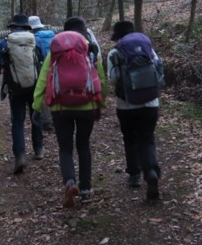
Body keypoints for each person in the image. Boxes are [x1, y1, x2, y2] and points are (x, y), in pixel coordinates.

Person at [33, 16, 106, 207]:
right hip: (86, 106)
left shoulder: (55, 50)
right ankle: (85, 190)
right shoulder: (90, 48)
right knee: (83, 145)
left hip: (60, 107)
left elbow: (42, 79)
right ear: (83, 30)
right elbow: (101, 79)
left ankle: (70, 181)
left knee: (65, 148)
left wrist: (37, 107)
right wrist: (100, 103)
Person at [107, 20, 163, 200]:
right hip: (150, 103)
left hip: (126, 105)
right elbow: (157, 67)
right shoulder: (147, 47)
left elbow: (114, 79)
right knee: (147, 138)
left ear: (117, 36)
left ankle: (134, 175)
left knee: (130, 138)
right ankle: (151, 170)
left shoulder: (114, 52)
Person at [0, 13, 44, 174]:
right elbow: (43, 61)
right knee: (36, 116)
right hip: (34, 86)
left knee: (17, 121)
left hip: (15, 88)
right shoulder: (36, 40)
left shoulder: (4, 42)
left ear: (13, 27)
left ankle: (20, 156)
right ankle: (38, 149)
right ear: (27, 27)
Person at [28, 15, 56, 132]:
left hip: (42, 68)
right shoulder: (53, 34)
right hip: (57, 66)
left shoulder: (33, 38)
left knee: (43, 92)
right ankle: (56, 118)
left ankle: (47, 121)